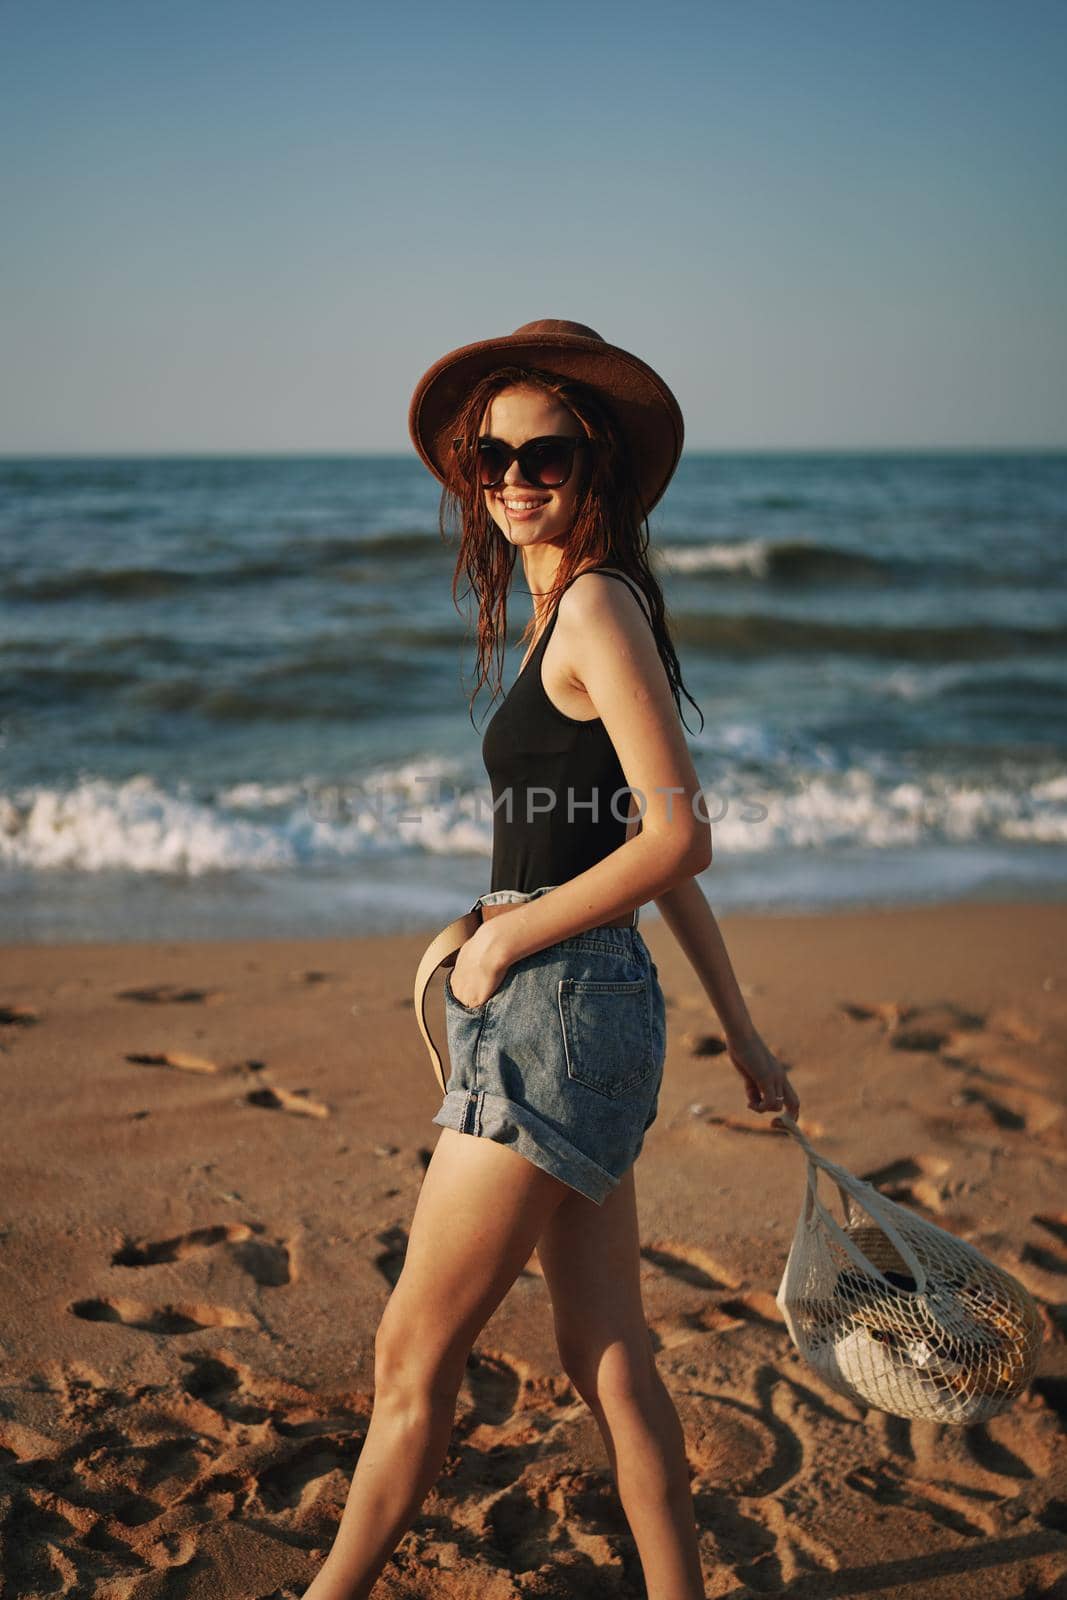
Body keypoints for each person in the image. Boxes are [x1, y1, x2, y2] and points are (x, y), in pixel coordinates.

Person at [302, 320, 800, 1600]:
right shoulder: (575, 613)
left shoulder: (590, 605)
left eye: (546, 451)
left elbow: (679, 834)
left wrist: (507, 931)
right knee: (607, 1351)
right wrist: (737, 1032)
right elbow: (635, 846)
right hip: (582, 1003)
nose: (515, 474)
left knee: (413, 1354)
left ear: (598, 467)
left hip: (555, 1008)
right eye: (491, 453)